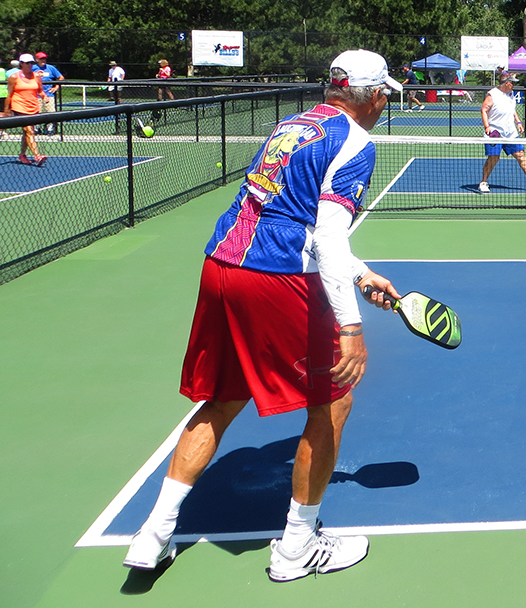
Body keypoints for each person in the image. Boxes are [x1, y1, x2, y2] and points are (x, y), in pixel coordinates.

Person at [122, 49, 406, 582]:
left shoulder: (291, 126)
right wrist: (351, 326)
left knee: (224, 398)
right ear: (371, 96)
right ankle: (297, 547)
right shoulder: (356, 143)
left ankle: (153, 534)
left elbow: (284, 213)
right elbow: (326, 237)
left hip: (222, 266)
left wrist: (360, 273)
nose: (385, 102)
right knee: (333, 401)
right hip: (274, 279)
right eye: (384, 94)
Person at [478, 72, 526, 193]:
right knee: (494, 158)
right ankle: (483, 182)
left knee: (520, 154)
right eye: (512, 83)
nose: (514, 85)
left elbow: (512, 109)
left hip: (510, 133)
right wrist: (487, 126)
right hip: (495, 133)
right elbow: (484, 109)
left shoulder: (511, 94)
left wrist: (518, 122)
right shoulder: (493, 94)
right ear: (506, 83)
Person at [4, 53, 50, 164]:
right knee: (29, 131)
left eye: (31, 63)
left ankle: (22, 155)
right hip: (19, 106)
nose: (30, 65)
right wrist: (7, 109)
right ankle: (37, 156)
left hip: (33, 107)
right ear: (21, 64)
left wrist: (44, 97)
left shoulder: (36, 76)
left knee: (28, 132)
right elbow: (9, 94)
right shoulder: (14, 77)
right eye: (27, 63)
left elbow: (40, 91)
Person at [33, 52, 63, 133]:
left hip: (49, 94)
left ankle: (49, 128)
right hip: (36, 94)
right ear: (37, 59)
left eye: (44, 58)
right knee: (37, 112)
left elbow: (61, 77)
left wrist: (56, 87)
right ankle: (36, 128)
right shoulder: (33, 68)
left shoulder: (51, 68)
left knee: (50, 112)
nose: (43, 60)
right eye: (41, 59)